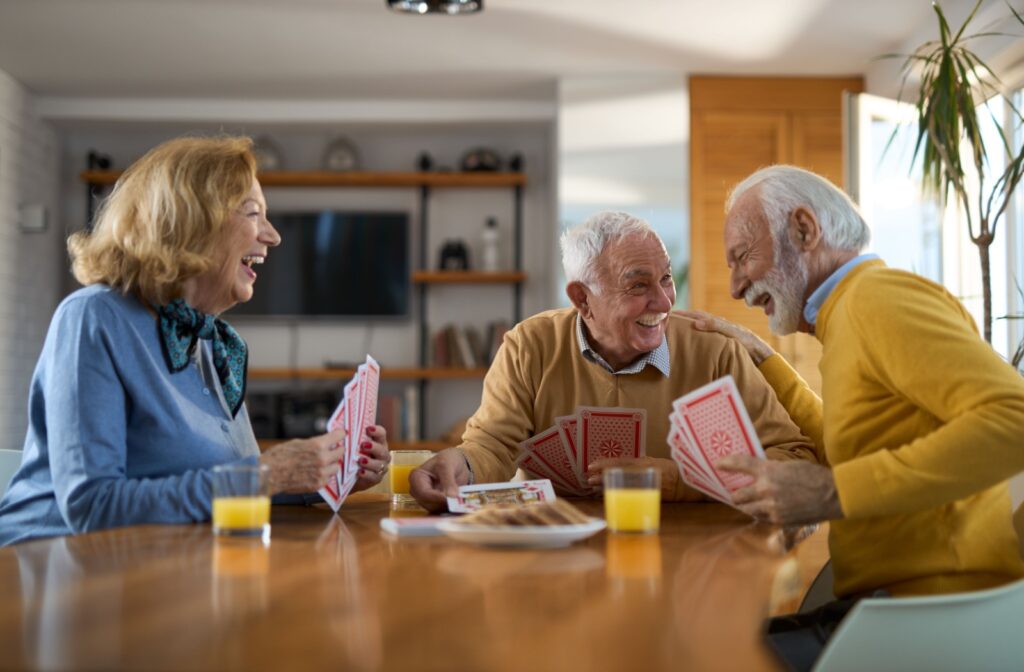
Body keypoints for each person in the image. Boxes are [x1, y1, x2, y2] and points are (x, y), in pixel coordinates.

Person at [0, 136, 391, 546]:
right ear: (191, 221)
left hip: (157, 565)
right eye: (253, 213)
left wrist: (325, 476)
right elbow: (93, 506)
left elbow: (228, 489)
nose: (273, 236)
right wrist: (265, 474)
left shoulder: (210, 344)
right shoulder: (93, 317)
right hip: (50, 569)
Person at [694, 164, 1024, 599]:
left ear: (804, 230)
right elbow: (857, 446)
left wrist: (834, 493)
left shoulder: (877, 299)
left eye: (742, 257)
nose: (735, 287)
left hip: (935, 609)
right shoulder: (846, 313)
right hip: (892, 601)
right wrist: (767, 361)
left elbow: (1015, 419)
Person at [409, 211, 819, 512]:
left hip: (693, 561)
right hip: (559, 560)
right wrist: (459, 465)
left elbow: (794, 460)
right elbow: (492, 445)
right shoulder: (528, 346)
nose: (663, 302)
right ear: (582, 299)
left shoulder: (714, 352)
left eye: (666, 278)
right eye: (638, 285)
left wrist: (678, 479)